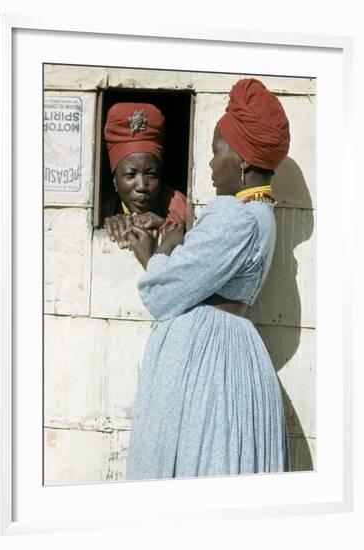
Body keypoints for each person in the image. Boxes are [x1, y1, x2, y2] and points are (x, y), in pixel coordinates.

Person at [122, 78, 291, 479]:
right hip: (228, 349)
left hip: (207, 363)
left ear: (244, 160)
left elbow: (165, 293)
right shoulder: (262, 215)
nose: (212, 164)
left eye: (217, 152)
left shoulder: (234, 215)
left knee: (195, 463)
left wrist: (155, 251)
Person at [102, 102, 187, 249]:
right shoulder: (104, 210)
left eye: (151, 174)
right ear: (115, 180)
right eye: (130, 175)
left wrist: (165, 225)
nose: (141, 186)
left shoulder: (180, 208)